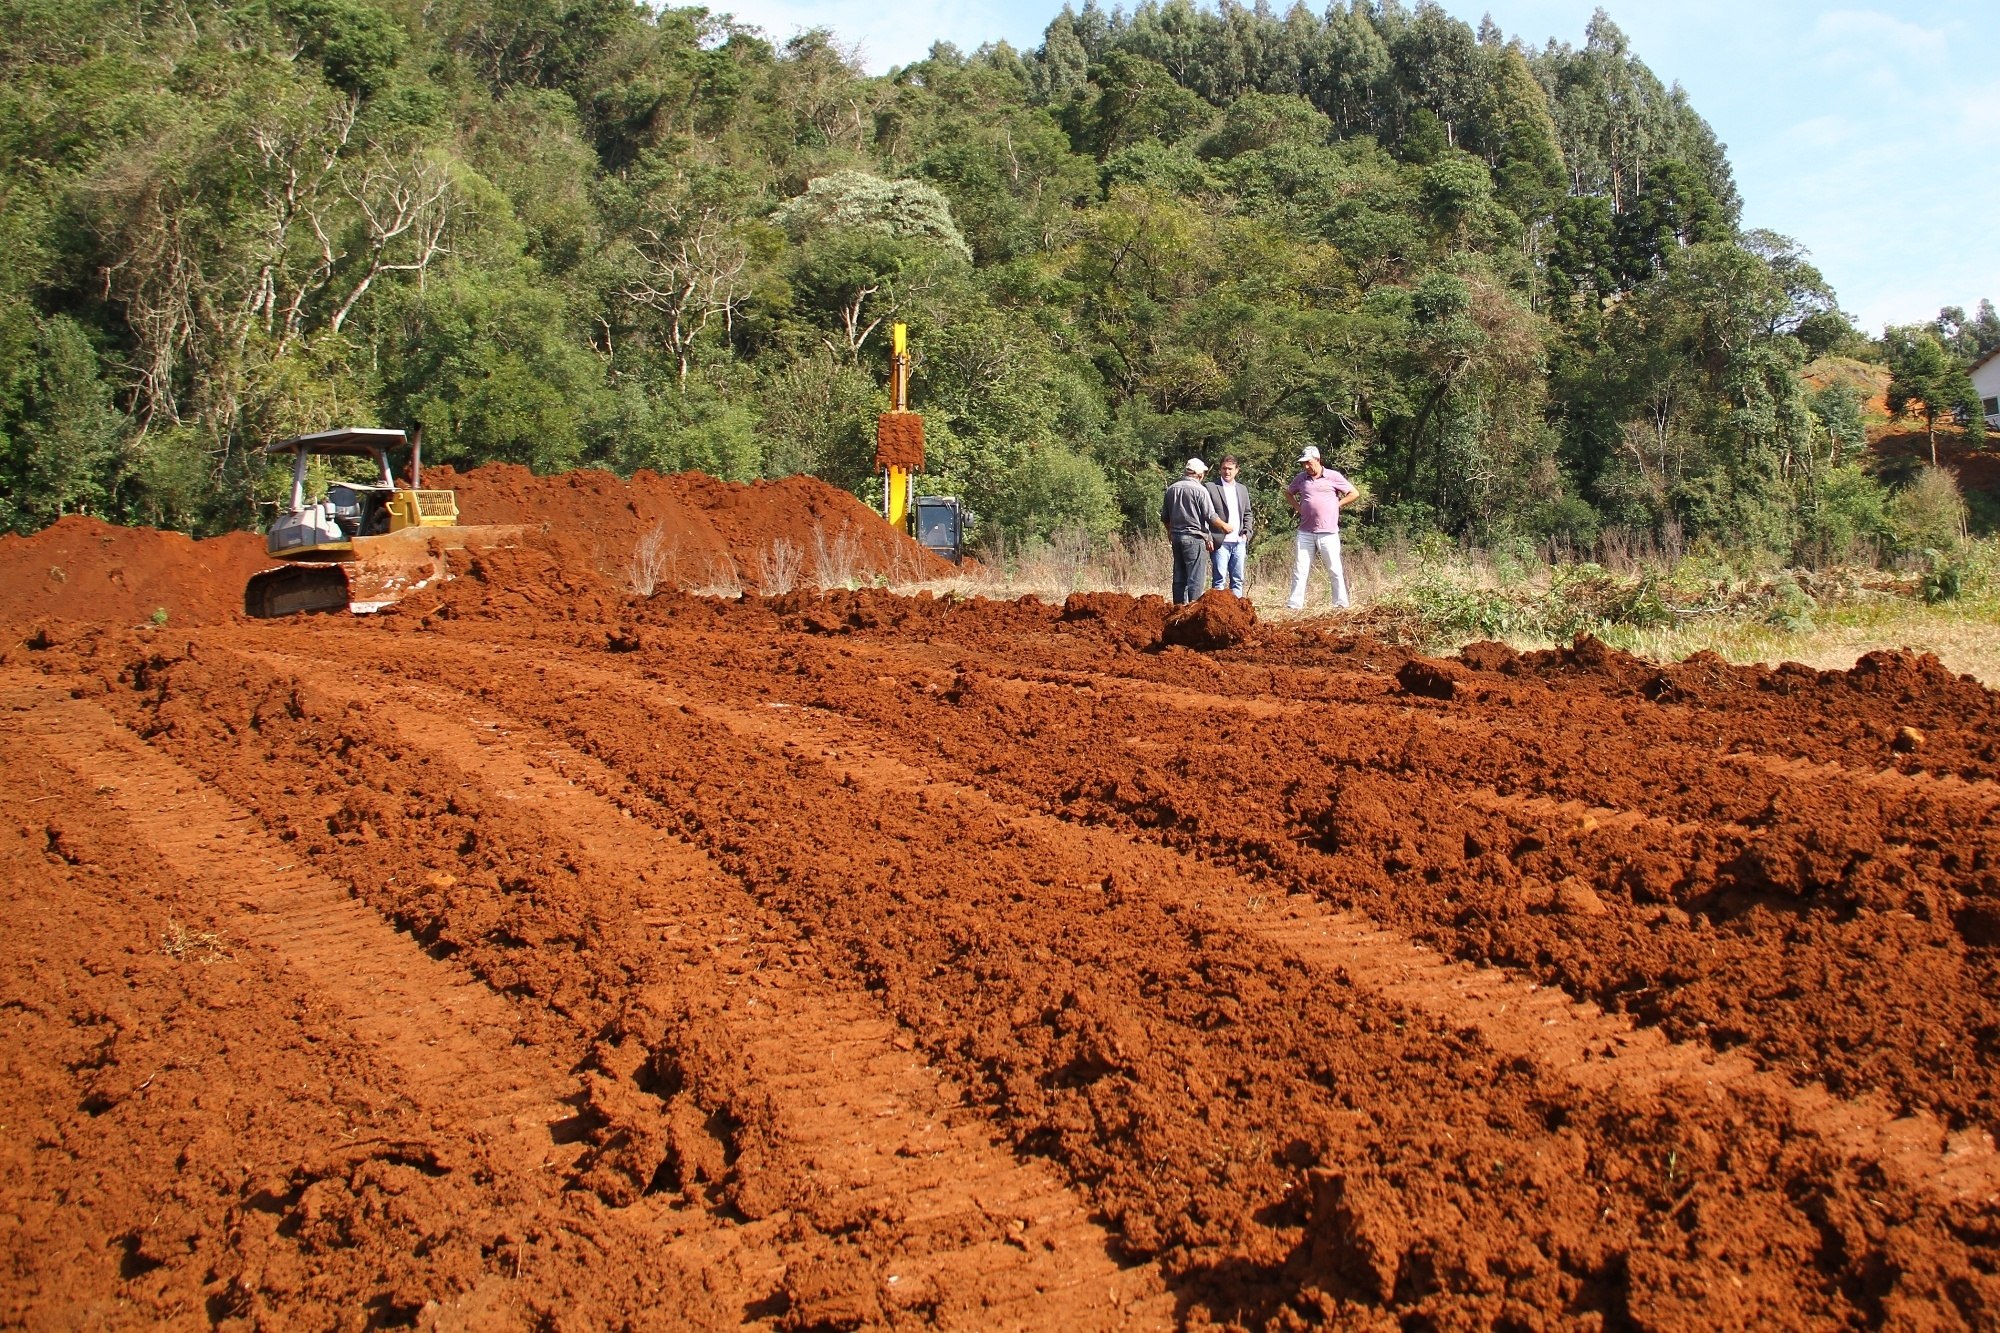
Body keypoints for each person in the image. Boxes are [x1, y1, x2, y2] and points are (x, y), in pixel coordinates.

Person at [1284, 445, 1357, 610]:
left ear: (1317, 460)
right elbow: (1288, 493)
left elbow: (1354, 493)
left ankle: (1340, 603)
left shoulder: (1333, 476)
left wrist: (1338, 504)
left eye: (1309, 463)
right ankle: (1295, 604)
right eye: (1303, 464)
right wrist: (1298, 507)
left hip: (1328, 532)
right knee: (1300, 568)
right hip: (1305, 532)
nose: (1306, 467)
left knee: (1334, 568)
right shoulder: (1300, 479)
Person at [1160, 458, 1232, 604]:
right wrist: (1225, 526)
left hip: (1177, 538)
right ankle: (1193, 611)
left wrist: (1170, 532)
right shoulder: (1200, 490)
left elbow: (1165, 518)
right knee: (1195, 579)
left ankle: (1178, 609)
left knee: (1179, 577)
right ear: (1199, 474)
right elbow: (1211, 516)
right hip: (1194, 539)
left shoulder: (1171, 489)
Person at [1206, 456, 1253, 597]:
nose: (1227, 472)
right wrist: (1208, 537)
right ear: (1220, 469)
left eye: (1230, 469)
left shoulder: (1242, 489)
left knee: (1237, 580)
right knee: (1219, 580)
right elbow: (1205, 514)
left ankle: (1238, 613)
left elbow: (1248, 513)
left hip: (1239, 542)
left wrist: (1247, 533)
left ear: (1237, 470)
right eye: (1224, 468)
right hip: (1219, 542)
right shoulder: (1211, 487)